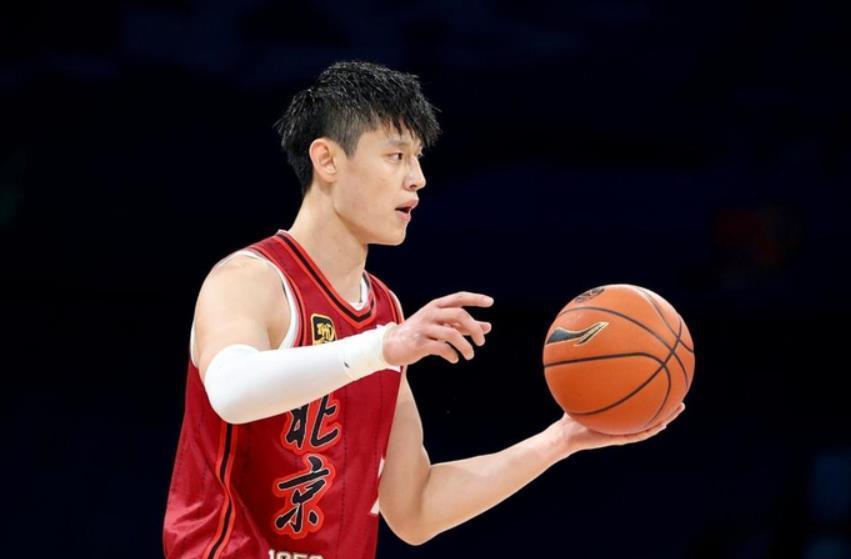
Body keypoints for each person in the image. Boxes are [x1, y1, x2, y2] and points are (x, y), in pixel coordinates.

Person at [162, 60, 684, 559]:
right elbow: (231, 392)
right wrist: (386, 347)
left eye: (418, 158)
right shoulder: (250, 278)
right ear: (327, 160)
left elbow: (414, 510)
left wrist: (561, 439)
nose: (417, 178)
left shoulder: (384, 312)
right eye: (396, 156)